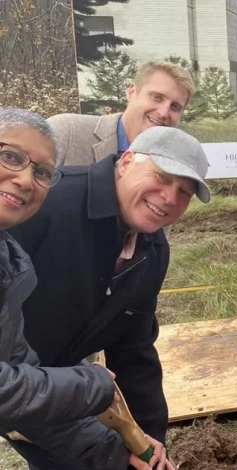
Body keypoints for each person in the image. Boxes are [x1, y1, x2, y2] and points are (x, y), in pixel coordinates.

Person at [7, 125, 211, 470]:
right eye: (162, 177)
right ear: (126, 161)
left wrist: (148, 435)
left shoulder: (151, 249)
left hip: (56, 380)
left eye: (184, 192)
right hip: (14, 376)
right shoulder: (46, 204)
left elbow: (133, 348)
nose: (169, 198)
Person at [47, 60, 195, 167]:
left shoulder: (172, 166)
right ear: (131, 92)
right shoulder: (65, 133)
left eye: (175, 107)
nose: (164, 113)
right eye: (157, 97)